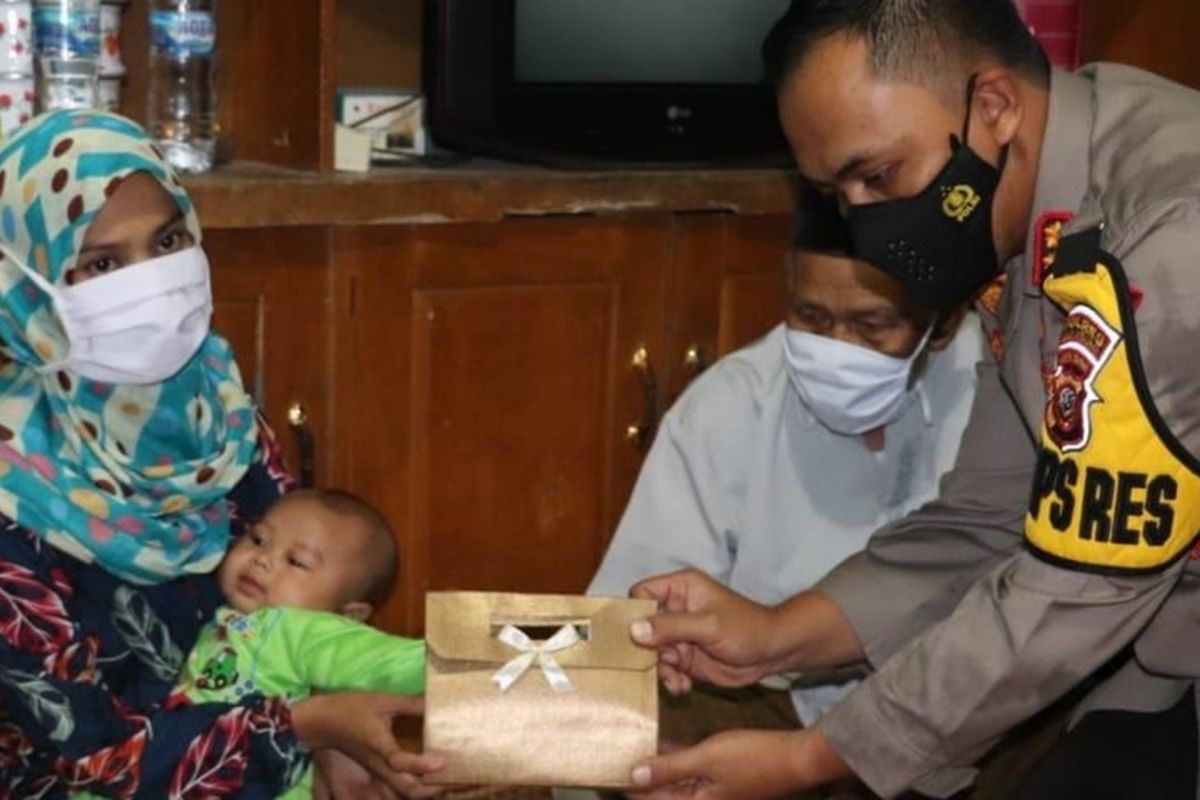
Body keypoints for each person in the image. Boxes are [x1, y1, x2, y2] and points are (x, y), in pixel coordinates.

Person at [624, 1, 1200, 798]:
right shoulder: (1034, 212)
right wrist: (777, 634)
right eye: (837, 193)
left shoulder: (1165, 233)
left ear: (993, 106)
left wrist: (814, 755)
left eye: (878, 175)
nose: (866, 225)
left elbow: (1083, 576)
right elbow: (992, 512)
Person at [0, 110, 442, 799]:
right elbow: (93, 757)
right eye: (103, 263)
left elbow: (298, 613)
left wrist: (332, 745)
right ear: (26, 286)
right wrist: (304, 728)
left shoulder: (214, 408)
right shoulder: (12, 488)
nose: (151, 282)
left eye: (169, 239)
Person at [588, 207, 982, 742]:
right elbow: (626, 618)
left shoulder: (1000, 390)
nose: (838, 349)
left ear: (944, 322)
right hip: (778, 700)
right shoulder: (732, 404)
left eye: (872, 326)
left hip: (962, 702)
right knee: (621, 730)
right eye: (811, 318)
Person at [164, 488, 426, 800]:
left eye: (296, 561)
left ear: (348, 615)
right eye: (258, 540)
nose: (263, 559)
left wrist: (480, 653)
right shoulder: (224, 620)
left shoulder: (303, 630)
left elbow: (390, 664)